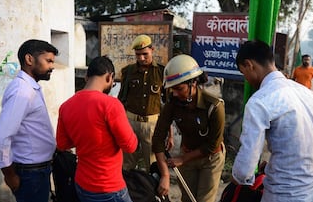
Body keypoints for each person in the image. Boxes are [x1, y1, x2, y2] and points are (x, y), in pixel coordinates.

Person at [232, 40, 313, 202]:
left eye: (243, 73)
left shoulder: (259, 101)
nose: (246, 79)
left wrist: (237, 179)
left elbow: (245, 168)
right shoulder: (311, 96)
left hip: (282, 195)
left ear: (249, 65)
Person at [56, 56, 138, 202]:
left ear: (87, 76)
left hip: (82, 184)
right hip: (109, 187)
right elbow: (130, 146)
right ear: (110, 77)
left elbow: (62, 144)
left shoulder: (66, 106)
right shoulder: (111, 105)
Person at [0, 39, 59, 202]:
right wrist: (10, 175)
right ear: (29, 59)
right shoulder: (22, 91)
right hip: (30, 174)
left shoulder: (29, 87)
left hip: (37, 172)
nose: (52, 67)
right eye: (48, 61)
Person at [152, 54, 226, 202]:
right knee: (187, 199)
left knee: (203, 200)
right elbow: (158, 139)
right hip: (187, 155)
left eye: (179, 88)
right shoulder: (172, 103)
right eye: (172, 89)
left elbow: (212, 145)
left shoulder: (215, 106)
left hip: (210, 159)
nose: (175, 93)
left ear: (193, 83)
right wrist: (165, 175)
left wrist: (182, 159)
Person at [118, 34, 167, 172]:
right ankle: (128, 191)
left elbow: (167, 104)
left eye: (145, 54)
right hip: (130, 122)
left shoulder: (162, 72)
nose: (141, 58)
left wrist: (168, 133)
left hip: (151, 125)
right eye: (138, 54)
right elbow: (121, 99)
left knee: (152, 164)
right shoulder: (128, 72)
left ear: (152, 49)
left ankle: (151, 192)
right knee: (126, 164)